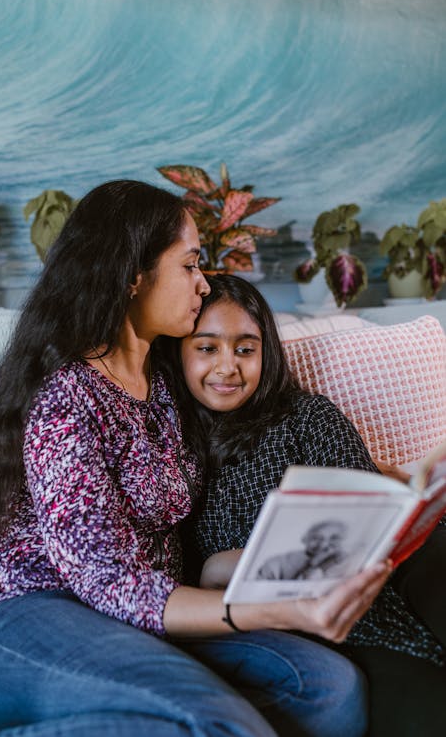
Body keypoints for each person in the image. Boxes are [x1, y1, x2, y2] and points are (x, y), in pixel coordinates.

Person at [0, 181, 391, 737]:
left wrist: (391, 485)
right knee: (210, 718)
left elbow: (256, 417)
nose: (203, 284)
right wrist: (277, 611)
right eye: (189, 265)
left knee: (329, 690)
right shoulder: (64, 397)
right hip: (26, 615)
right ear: (134, 275)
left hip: (142, 620)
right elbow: (109, 582)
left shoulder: (166, 381)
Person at [159, 272, 446, 737]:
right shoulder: (169, 450)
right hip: (280, 632)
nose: (228, 367)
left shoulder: (307, 416)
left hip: (371, 593)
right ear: (179, 352)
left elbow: (369, 510)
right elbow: (183, 583)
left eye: (245, 349)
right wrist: (219, 568)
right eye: (207, 348)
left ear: (265, 353)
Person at [257, 520, 349, 580]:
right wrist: (315, 565)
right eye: (316, 538)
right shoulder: (276, 564)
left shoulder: (347, 561)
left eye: (334, 539)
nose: (324, 545)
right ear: (305, 539)